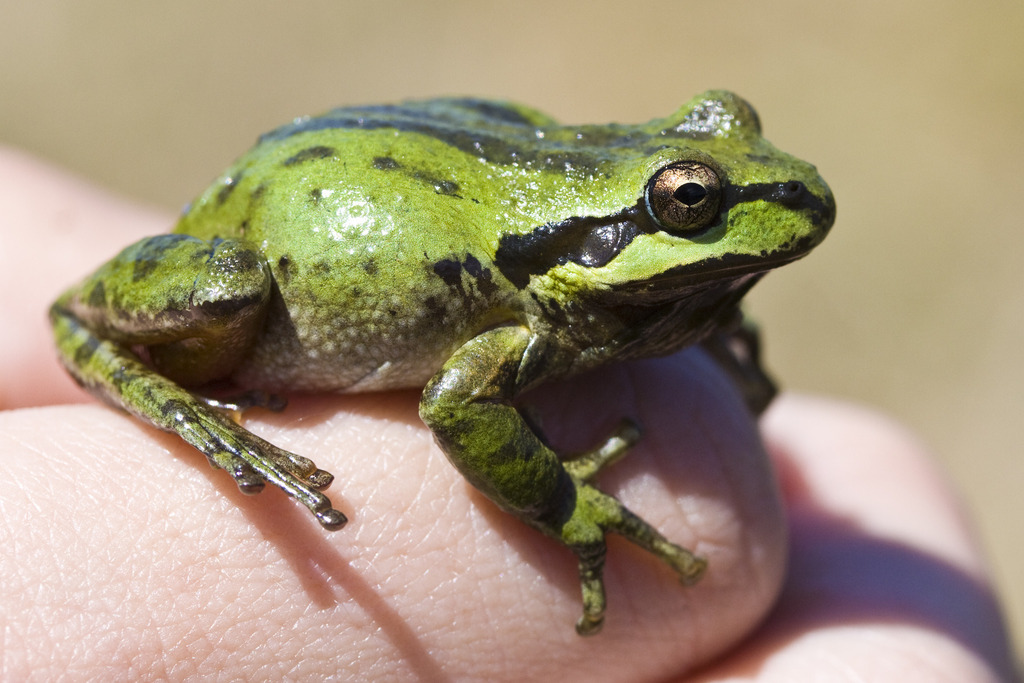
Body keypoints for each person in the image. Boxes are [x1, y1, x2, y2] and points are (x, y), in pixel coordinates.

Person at [0, 148, 1015, 680]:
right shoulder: (531, 309)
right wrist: (570, 507)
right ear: (617, 227)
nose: (773, 202)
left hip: (475, 202)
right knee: (214, 282)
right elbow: (457, 398)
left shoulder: (593, 283)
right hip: (262, 255)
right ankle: (152, 385)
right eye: (692, 204)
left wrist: (707, 300)